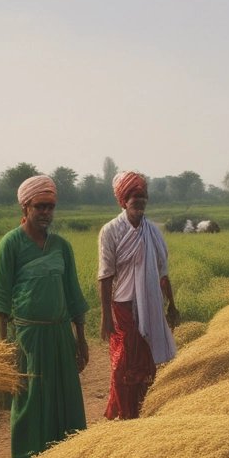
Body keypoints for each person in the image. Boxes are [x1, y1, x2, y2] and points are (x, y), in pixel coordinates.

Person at [0, 174, 89, 458]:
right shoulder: (11, 244)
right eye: (40, 207)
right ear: (25, 208)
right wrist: (3, 345)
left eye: (50, 207)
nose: (46, 213)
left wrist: (80, 338)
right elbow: (1, 296)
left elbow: (73, 294)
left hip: (60, 335)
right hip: (28, 339)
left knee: (65, 397)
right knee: (29, 401)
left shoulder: (62, 246)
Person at [98, 172, 180, 419]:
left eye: (142, 196)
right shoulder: (111, 231)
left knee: (146, 361)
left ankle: (143, 409)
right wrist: (106, 316)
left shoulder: (153, 232)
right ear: (123, 201)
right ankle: (124, 413)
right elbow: (105, 276)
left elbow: (163, 272)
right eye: (134, 196)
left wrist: (172, 306)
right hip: (123, 305)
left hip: (151, 302)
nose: (139, 200)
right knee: (124, 362)